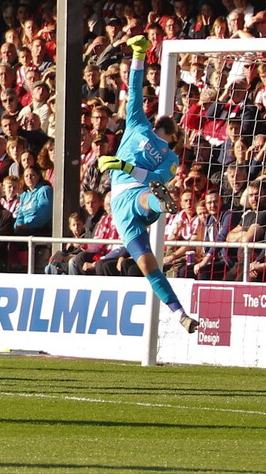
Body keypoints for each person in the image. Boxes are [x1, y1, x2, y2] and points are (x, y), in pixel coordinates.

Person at [98, 35, 198, 333]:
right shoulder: (150, 137)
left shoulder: (160, 147)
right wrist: (139, 54)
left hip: (130, 197)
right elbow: (134, 88)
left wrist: (125, 167)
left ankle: (160, 203)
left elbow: (156, 180)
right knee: (147, 264)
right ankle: (180, 313)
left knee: (148, 198)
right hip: (125, 208)